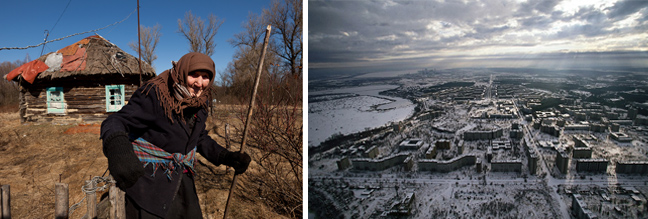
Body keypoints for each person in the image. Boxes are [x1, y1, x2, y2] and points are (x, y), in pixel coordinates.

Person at [100, 52, 251, 218]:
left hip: (182, 181)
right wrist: (118, 149)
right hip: (149, 184)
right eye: (194, 75)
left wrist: (226, 156)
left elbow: (199, 138)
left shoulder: (201, 101)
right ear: (183, 72)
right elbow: (115, 121)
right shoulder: (155, 94)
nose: (200, 83)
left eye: (206, 77)